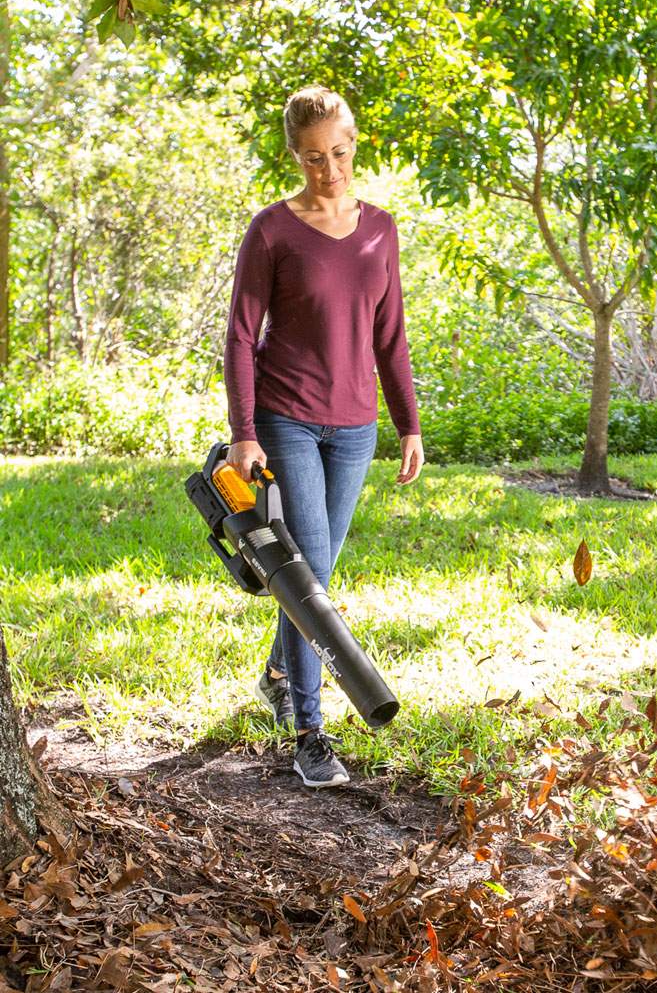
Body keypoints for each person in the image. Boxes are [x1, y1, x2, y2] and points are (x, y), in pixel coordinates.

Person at [222, 85, 424, 788]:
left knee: (316, 576)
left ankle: (279, 673)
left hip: (355, 428)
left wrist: (408, 422)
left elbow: (390, 335)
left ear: (354, 143)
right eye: (313, 159)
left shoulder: (381, 229)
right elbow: (242, 337)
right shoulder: (272, 230)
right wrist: (244, 433)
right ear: (295, 156)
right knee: (308, 583)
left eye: (338, 154)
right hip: (287, 419)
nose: (329, 171)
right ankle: (309, 732)